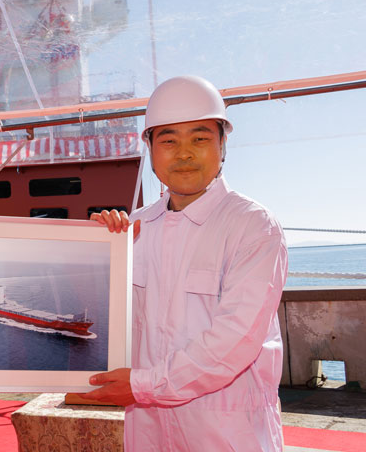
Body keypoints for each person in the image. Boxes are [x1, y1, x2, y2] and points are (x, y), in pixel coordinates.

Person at [82, 76, 288, 451]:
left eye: (200, 138)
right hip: (148, 431)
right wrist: (97, 254)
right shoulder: (135, 227)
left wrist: (146, 385)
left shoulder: (252, 226)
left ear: (223, 145)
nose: (184, 153)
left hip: (225, 434)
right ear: (149, 147)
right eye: (169, 140)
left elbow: (235, 340)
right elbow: (104, 321)